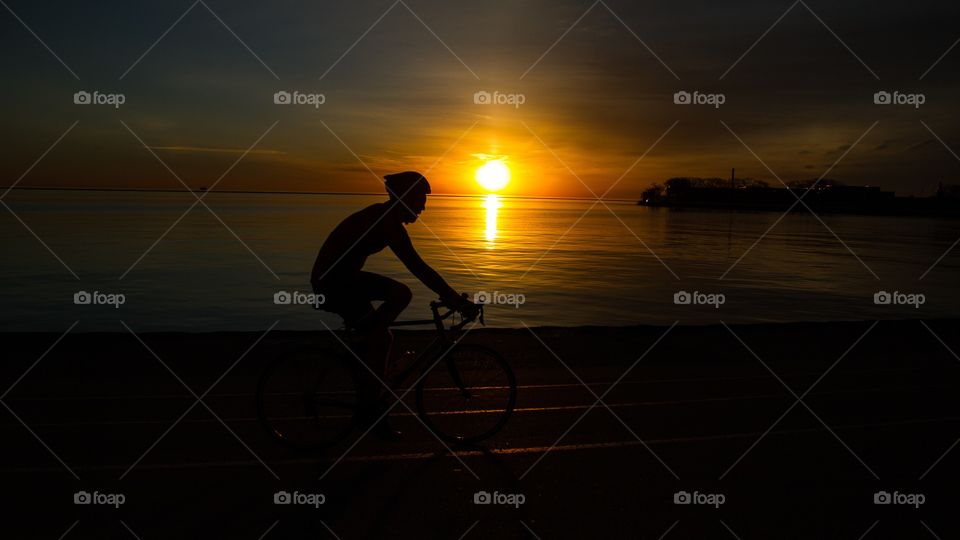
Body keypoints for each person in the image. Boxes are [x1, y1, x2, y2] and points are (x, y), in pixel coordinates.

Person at [311, 171, 476, 440]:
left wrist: (451, 297)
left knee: (383, 337)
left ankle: (369, 352)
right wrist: (455, 300)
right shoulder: (386, 223)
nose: (423, 207)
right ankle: (368, 411)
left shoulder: (384, 218)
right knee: (399, 298)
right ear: (404, 198)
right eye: (419, 200)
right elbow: (418, 267)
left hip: (340, 279)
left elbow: (419, 268)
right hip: (334, 283)